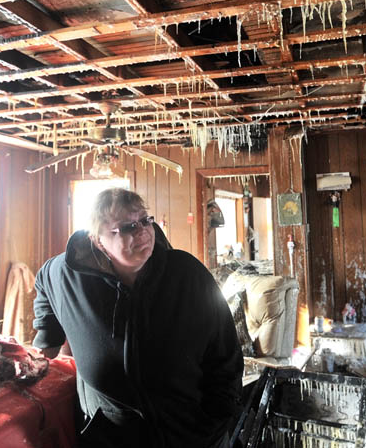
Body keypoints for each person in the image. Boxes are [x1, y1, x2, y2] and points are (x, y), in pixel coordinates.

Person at [33, 188, 243, 448]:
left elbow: (226, 357)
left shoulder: (187, 274)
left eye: (145, 220)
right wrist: (47, 333)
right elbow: (43, 279)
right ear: (98, 240)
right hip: (111, 438)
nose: (143, 232)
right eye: (128, 227)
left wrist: (215, 422)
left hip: (193, 436)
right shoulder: (69, 275)